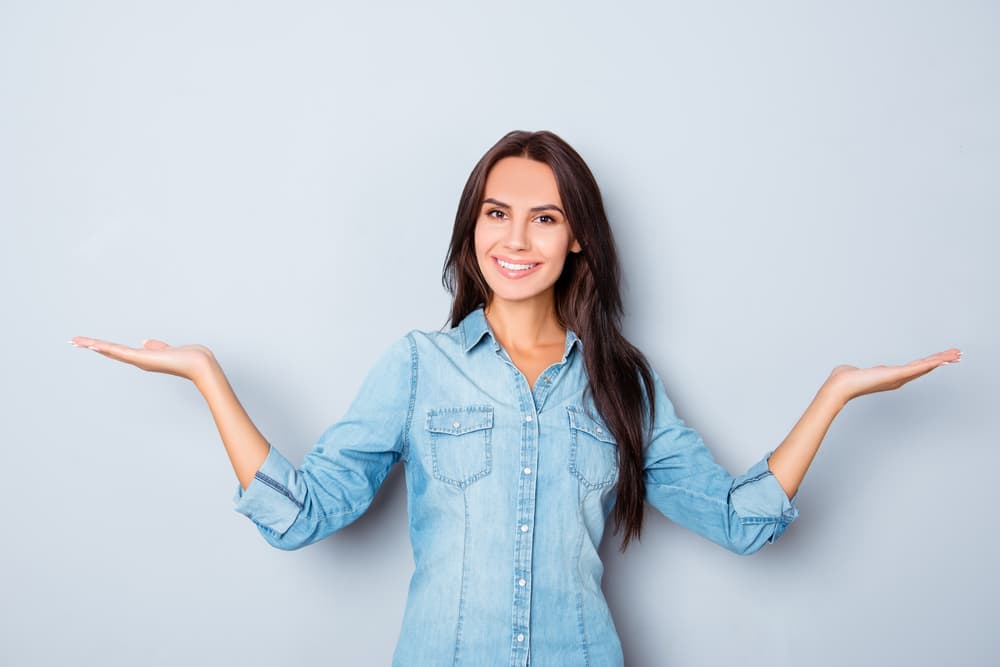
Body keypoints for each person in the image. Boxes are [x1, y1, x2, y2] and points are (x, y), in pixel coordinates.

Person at [70, 129, 961, 666]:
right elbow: (302, 514)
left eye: (545, 216)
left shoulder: (624, 379)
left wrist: (837, 393)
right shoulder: (420, 364)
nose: (517, 236)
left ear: (577, 238)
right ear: (472, 230)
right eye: (497, 212)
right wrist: (207, 376)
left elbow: (741, 522)